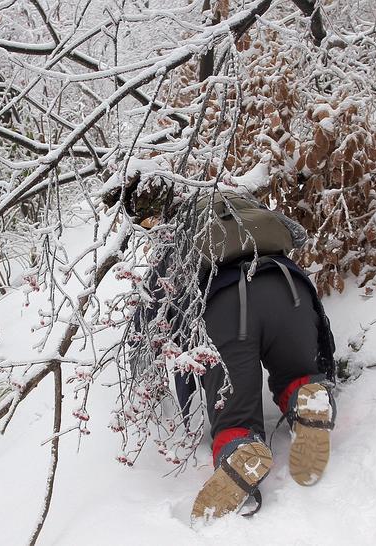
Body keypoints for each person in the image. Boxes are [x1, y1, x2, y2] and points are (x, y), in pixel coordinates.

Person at [106, 172, 337, 521]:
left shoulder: (178, 233)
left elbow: (151, 311)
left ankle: (240, 449)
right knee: (296, 372)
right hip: (290, 290)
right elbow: (296, 235)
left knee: (235, 416)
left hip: (227, 310)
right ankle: (306, 397)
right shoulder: (243, 204)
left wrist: (143, 372)